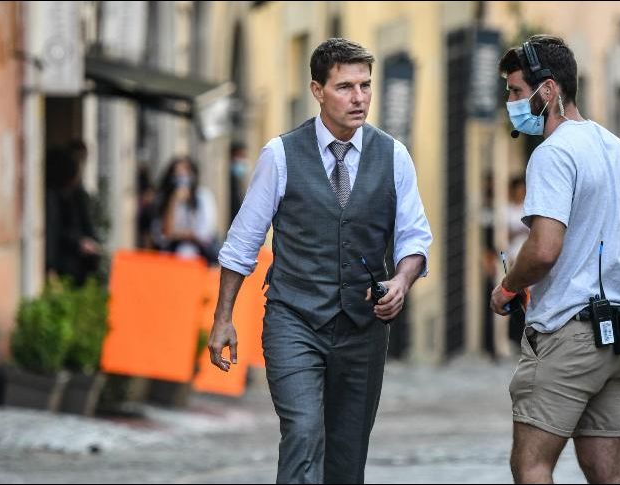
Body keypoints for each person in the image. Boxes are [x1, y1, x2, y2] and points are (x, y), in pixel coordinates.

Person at [209, 38, 432, 484]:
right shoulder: (280, 154)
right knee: (304, 432)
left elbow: (414, 237)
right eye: (345, 86)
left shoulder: (394, 156)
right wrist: (223, 318)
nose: (359, 98)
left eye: (366, 85)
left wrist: (402, 282)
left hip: (362, 328)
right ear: (317, 90)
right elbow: (243, 242)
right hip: (294, 319)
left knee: (347, 457)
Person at [489, 35, 620, 484]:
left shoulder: (553, 152)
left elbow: (543, 249)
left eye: (517, 92)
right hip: (619, 334)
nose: (511, 102)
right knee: (608, 472)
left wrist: (507, 286)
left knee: (531, 465)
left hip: (570, 335)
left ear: (548, 92)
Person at [44, 145, 101, 285]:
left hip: (75, 262)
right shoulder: (56, 197)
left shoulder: (75, 194)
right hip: (67, 263)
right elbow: (55, 228)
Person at [153, 156, 218, 262]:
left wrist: (181, 235)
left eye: (185, 173)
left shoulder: (202, 197)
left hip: (199, 255)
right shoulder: (164, 199)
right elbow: (164, 234)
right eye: (177, 174)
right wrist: (173, 202)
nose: (181, 178)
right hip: (171, 254)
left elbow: (205, 232)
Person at [506, 176, 529, 346]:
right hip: (513, 256)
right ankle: (514, 336)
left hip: (527, 257)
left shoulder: (529, 208)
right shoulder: (507, 209)